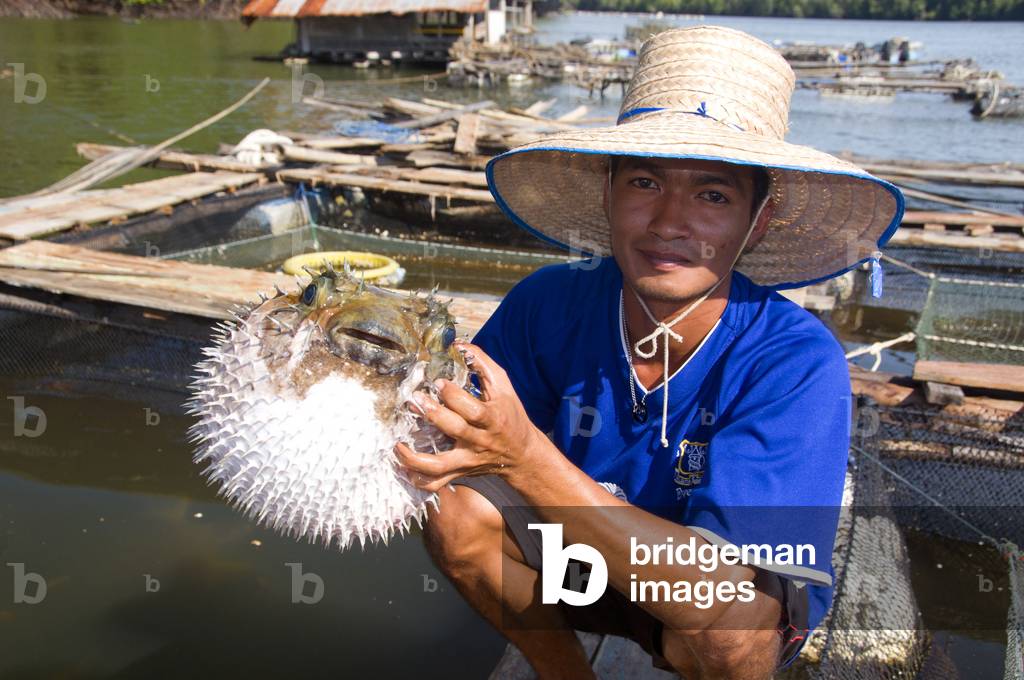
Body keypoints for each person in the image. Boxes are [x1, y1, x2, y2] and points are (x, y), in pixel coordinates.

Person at [394, 25, 903, 680]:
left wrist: (523, 456)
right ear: (607, 194)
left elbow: (718, 586)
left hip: (696, 594)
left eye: (713, 195)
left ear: (760, 220)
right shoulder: (549, 302)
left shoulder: (795, 361)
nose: (669, 222)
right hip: (576, 561)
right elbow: (448, 428)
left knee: (735, 628)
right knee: (453, 505)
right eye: (643, 182)